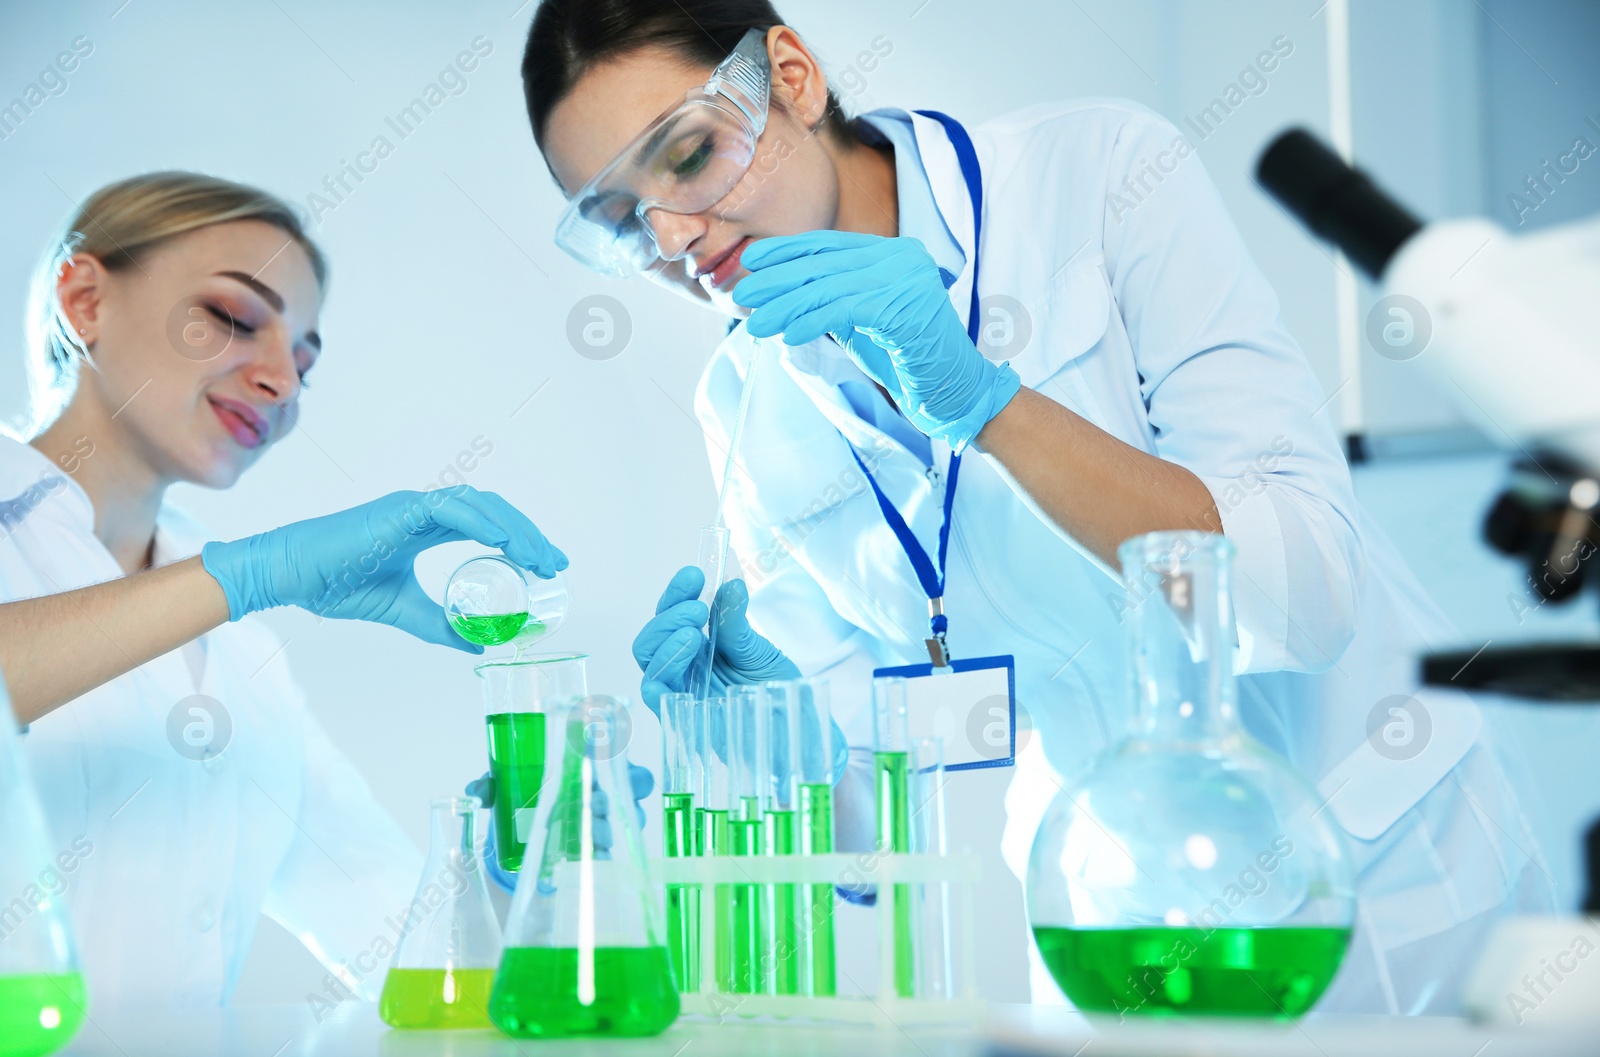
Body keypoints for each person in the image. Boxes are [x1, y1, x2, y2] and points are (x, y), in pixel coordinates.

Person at [519, 0, 1556, 1013]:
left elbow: (1307, 593)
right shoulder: (745, 400)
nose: (673, 236)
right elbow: (865, 850)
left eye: (689, 156)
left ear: (791, 77)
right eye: (619, 219)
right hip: (1102, 919)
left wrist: (988, 405)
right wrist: (774, 742)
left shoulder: (1098, 177)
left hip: (1371, 876)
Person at [0, 171, 613, 1006]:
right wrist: (249, 573)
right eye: (232, 318)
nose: (283, 382)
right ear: (85, 299)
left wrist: (515, 869)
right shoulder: (229, 595)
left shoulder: (241, 651)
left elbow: (411, 949)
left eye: (304, 363)